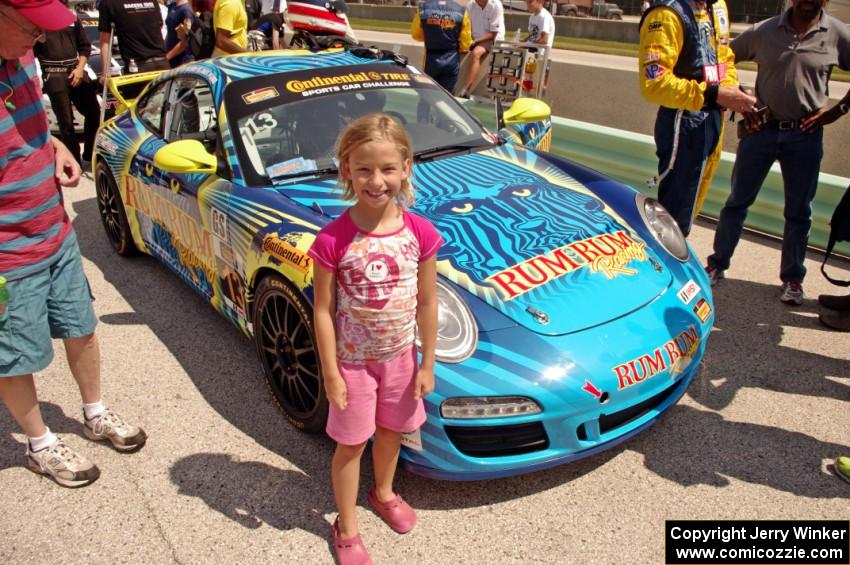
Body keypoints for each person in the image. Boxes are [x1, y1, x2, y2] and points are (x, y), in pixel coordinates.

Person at [0, 0, 147, 488]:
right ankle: (40, 445)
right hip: (9, 258)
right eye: (32, 27)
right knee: (14, 355)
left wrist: (56, 145)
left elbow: (32, 124)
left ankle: (94, 413)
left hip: (56, 233)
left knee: (81, 326)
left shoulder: (20, 56)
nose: (40, 39)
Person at [308, 113, 442, 565]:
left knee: (391, 432)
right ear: (346, 169)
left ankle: (383, 491)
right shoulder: (332, 239)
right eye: (364, 168)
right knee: (352, 443)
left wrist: (427, 364)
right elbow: (323, 310)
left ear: (406, 167)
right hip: (352, 363)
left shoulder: (420, 233)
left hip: (401, 359)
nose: (376, 180)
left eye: (387, 168)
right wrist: (330, 372)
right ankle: (345, 524)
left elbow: (427, 302)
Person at [705, 0, 850, 306]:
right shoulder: (765, 30)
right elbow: (722, 59)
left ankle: (793, 278)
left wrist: (837, 110)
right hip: (762, 130)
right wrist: (741, 97)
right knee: (737, 202)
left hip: (806, 135)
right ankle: (717, 263)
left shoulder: (837, 34)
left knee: (799, 211)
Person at [638, 0, 755, 237]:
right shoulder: (666, 13)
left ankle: (678, 254)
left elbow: (725, 58)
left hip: (713, 116)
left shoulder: (717, 6)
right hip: (684, 120)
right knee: (675, 213)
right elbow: (654, 83)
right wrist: (713, 94)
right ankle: (668, 267)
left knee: (692, 205)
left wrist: (733, 91)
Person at [33, 0, 100, 168]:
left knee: (94, 113)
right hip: (53, 73)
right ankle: (74, 162)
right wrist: (35, 39)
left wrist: (80, 68)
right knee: (66, 123)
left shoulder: (71, 17)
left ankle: (89, 153)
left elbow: (85, 46)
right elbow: (26, 49)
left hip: (76, 70)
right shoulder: (37, 19)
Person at [411, 0, 472, 94]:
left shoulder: (423, 8)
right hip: (452, 59)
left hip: (431, 59)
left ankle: (424, 108)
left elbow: (416, 35)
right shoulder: (461, 10)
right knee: (448, 97)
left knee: (427, 93)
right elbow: (466, 44)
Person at [98, 0, 168, 75]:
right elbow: (159, 27)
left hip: (137, 68)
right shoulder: (153, 1)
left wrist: (105, 74)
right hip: (162, 63)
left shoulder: (109, 2)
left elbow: (105, 41)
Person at [458, 0, 504, 98]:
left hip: (492, 40)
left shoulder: (496, 5)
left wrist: (475, 41)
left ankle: (466, 90)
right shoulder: (470, 4)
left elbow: (493, 34)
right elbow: (466, 27)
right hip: (475, 40)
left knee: (476, 53)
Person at [165, 0, 194, 67]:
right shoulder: (172, 6)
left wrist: (167, 57)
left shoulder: (186, 10)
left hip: (181, 60)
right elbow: (170, 31)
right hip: (170, 56)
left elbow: (185, 41)